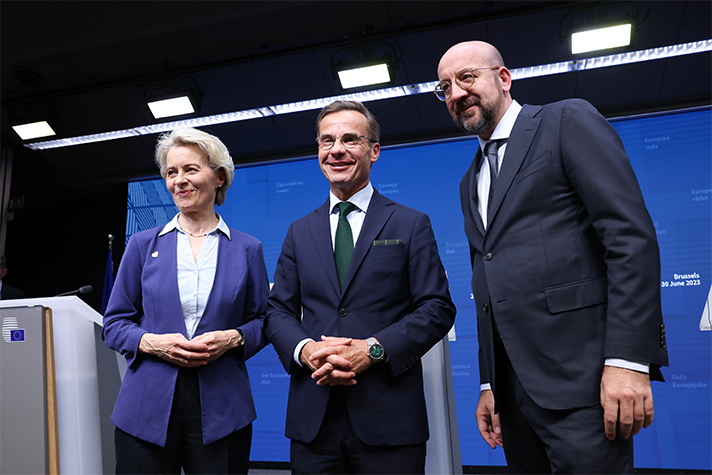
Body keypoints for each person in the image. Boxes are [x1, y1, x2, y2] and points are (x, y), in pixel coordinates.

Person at [435, 41, 669, 473]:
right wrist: (490, 383)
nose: (455, 93)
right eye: (444, 87)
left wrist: (627, 361)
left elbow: (629, 238)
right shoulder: (471, 179)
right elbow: (486, 284)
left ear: (503, 79)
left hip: (584, 384)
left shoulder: (566, 120)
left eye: (466, 77)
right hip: (515, 395)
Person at [265, 100, 456, 474]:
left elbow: (437, 308)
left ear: (374, 151)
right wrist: (306, 351)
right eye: (327, 141)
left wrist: (374, 349)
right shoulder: (298, 231)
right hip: (313, 420)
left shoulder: (410, 224)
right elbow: (278, 312)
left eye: (350, 140)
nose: (336, 150)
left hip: (389, 417)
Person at [102, 128, 269, 474]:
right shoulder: (141, 245)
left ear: (219, 177)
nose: (179, 181)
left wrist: (233, 338)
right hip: (145, 408)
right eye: (171, 172)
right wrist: (151, 342)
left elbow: (264, 321)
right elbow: (114, 324)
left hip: (223, 410)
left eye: (190, 169)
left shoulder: (248, 249)